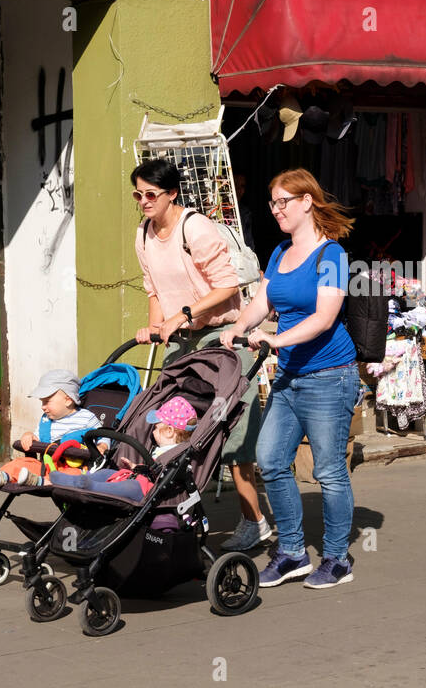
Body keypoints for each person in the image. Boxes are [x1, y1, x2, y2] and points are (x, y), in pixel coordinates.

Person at [221, 169, 361, 589]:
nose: (277, 209)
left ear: (306, 202)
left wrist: (274, 339)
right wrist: (239, 328)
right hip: (289, 377)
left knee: (329, 471)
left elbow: (324, 318)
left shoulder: (332, 256)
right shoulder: (280, 252)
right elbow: (261, 302)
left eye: (284, 201)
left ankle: (337, 558)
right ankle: (293, 552)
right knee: (271, 459)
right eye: (273, 203)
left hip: (330, 377)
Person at [131, 158, 269, 550]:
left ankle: (253, 520)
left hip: (222, 336)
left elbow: (228, 286)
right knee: (170, 424)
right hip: (181, 339)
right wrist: (156, 326)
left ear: (171, 193)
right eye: (138, 195)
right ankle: (172, 514)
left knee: (232, 432)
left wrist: (184, 314)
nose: (143, 201)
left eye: (151, 194)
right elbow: (153, 289)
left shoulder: (196, 228)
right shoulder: (143, 234)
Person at [43, 396, 199, 500]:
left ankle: (90, 486)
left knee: (130, 487)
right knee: (106, 472)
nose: (153, 432)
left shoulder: (178, 454)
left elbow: (166, 476)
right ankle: (76, 480)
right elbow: (151, 468)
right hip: (136, 477)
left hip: (147, 490)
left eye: (157, 428)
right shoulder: (159, 449)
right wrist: (135, 467)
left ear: (170, 431)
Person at [0, 369, 106, 488]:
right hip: (46, 466)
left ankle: (39, 481)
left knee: (72, 475)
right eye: (42, 402)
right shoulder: (46, 420)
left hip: (72, 466)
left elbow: (103, 435)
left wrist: (102, 447)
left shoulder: (86, 418)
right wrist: (29, 435)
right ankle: (1, 476)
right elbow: (37, 437)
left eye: (47, 401)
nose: (43, 406)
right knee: (23, 462)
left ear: (68, 400)